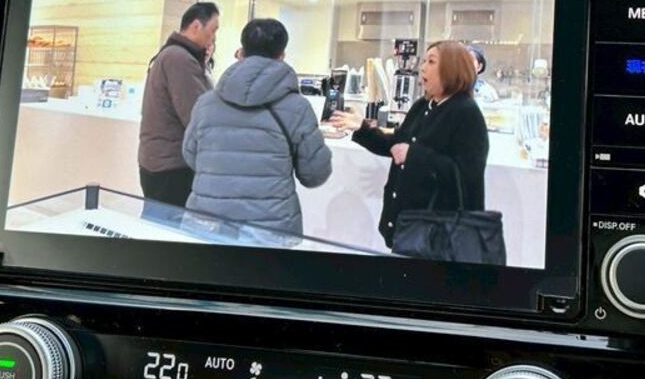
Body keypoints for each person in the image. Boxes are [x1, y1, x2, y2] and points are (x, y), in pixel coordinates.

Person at [330, 41, 489, 249]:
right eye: (424, 61)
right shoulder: (423, 106)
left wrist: (414, 155)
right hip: (408, 227)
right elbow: (397, 144)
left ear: (451, 69)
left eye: (431, 62)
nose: (423, 68)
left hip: (438, 236)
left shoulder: (467, 113)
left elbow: (466, 178)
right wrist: (362, 128)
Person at [182, 18, 332, 237]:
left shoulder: (206, 103)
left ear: (241, 52)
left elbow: (190, 156)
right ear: (281, 56)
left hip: (208, 223)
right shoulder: (297, 108)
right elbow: (315, 174)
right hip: (269, 230)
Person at [138, 2, 220, 207]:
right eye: (213, 30)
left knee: (157, 217)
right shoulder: (180, 59)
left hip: (158, 160)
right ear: (196, 26)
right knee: (168, 222)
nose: (214, 37)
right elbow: (196, 115)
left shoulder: (171, 54)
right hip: (172, 164)